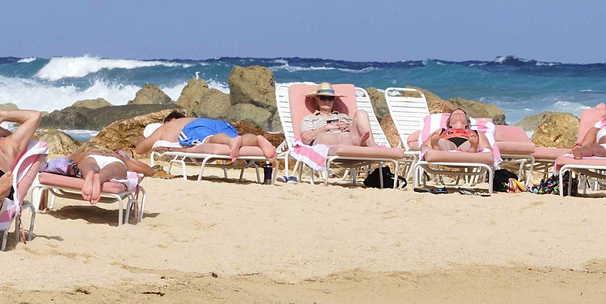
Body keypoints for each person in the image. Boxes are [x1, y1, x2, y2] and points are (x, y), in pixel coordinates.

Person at [135, 115, 278, 166]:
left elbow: (139, 149)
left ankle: (229, 142)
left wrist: (144, 137)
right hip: (218, 123)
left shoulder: (164, 128)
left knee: (208, 139)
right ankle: (258, 139)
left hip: (195, 127)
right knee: (238, 137)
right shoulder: (188, 118)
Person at [49, 147, 155, 204]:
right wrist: (129, 159)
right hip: (115, 161)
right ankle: (100, 177)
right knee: (111, 170)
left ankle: (89, 173)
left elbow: (68, 157)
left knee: (88, 165)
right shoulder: (119, 156)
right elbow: (149, 171)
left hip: (92, 157)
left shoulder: (90, 152)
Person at [301, 83, 371, 148]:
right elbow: (306, 138)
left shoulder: (343, 116)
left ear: (333, 100)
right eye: (323, 98)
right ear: (317, 100)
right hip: (325, 139)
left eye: (330, 98)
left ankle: (371, 144)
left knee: (361, 113)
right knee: (338, 136)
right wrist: (326, 127)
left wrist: (348, 127)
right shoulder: (310, 118)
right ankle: (356, 143)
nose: (327, 101)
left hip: (348, 136)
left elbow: (356, 129)